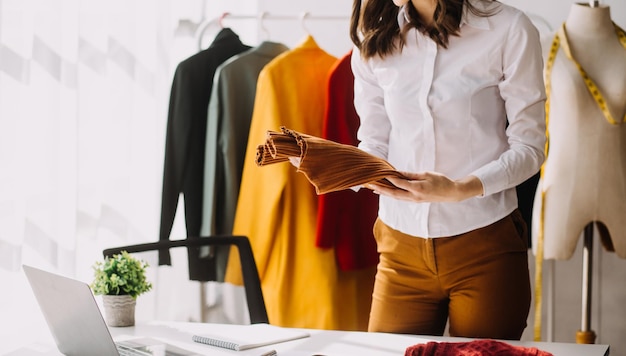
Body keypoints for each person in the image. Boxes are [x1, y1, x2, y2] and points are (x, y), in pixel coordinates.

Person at [349, 0, 546, 340]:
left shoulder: (509, 29)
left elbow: (530, 149)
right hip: (399, 249)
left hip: (485, 247)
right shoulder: (376, 37)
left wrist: (460, 188)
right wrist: (336, 166)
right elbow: (374, 142)